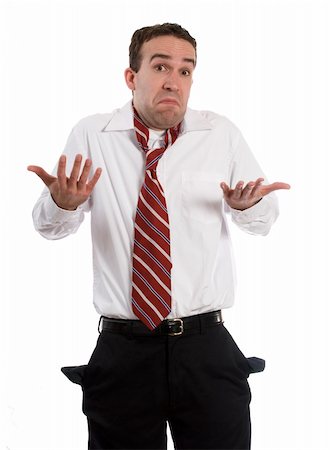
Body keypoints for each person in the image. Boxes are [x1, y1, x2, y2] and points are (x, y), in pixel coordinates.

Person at [28, 23, 290, 450]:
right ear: (132, 77)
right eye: (161, 66)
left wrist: (248, 206)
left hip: (206, 349)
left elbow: (263, 220)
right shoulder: (92, 135)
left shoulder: (219, 134)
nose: (174, 80)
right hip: (124, 351)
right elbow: (48, 228)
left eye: (186, 70)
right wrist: (65, 202)